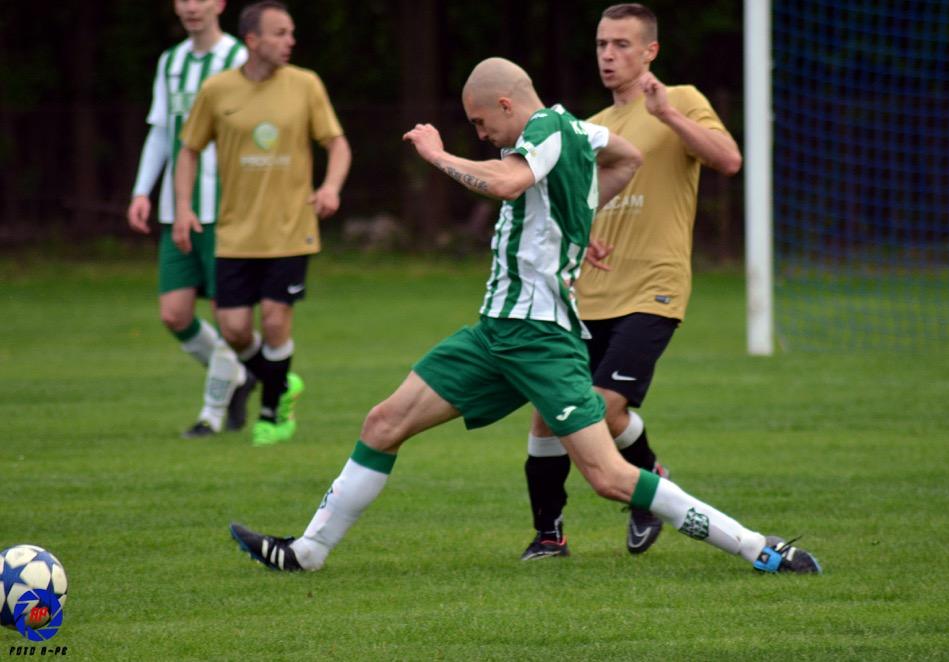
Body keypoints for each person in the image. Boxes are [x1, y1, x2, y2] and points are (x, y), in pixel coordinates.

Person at [228, 57, 820, 576]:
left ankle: (757, 547)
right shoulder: (578, 130)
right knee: (383, 423)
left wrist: (437, 154)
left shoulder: (546, 129)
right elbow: (627, 156)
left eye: (482, 122)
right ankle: (308, 551)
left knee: (610, 478)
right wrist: (577, 216)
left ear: (507, 105)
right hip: (494, 333)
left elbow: (510, 183)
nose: (483, 135)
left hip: (541, 339)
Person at [519, 2, 746, 561]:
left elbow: (729, 160)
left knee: (600, 407)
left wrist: (668, 115)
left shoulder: (681, 99)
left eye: (621, 44)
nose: (608, 55)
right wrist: (582, 236)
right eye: (602, 44)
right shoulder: (591, 125)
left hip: (653, 288)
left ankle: (647, 488)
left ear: (650, 52)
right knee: (548, 413)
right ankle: (550, 536)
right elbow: (577, 203)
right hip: (588, 295)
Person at [173, 0, 352, 446]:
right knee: (233, 328)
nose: (290, 41)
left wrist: (330, 187)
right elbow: (188, 150)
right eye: (280, 33)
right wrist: (182, 207)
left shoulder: (305, 84)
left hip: (291, 229)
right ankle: (281, 380)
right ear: (252, 40)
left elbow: (337, 145)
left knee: (274, 321)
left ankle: (273, 416)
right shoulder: (217, 90)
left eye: (291, 32)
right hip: (235, 233)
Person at [127, 0, 256, 439]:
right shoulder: (171, 61)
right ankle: (243, 372)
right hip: (176, 208)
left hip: (226, 209)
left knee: (228, 317)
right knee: (174, 314)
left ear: (219, 4)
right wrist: (142, 190)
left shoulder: (238, 57)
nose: (191, 7)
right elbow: (162, 130)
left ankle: (211, 415)